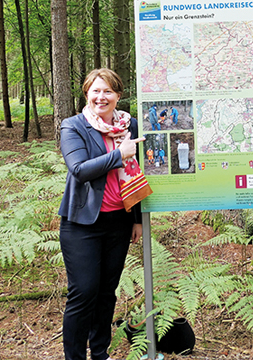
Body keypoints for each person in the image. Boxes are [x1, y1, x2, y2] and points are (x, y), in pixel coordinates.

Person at [58, 68, 152, 360]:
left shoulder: (129, 125)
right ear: (86, 94)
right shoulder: (73, 126)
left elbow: (136, 173)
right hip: (82, 223)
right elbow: (79, 169)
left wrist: (136, 218)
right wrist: (119, 154)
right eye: (95, 91)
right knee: (83, 293)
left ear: (118, 95)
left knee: (106, 293)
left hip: (119, 222)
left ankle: (100, 353)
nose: (102, 97)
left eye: (108, 91)